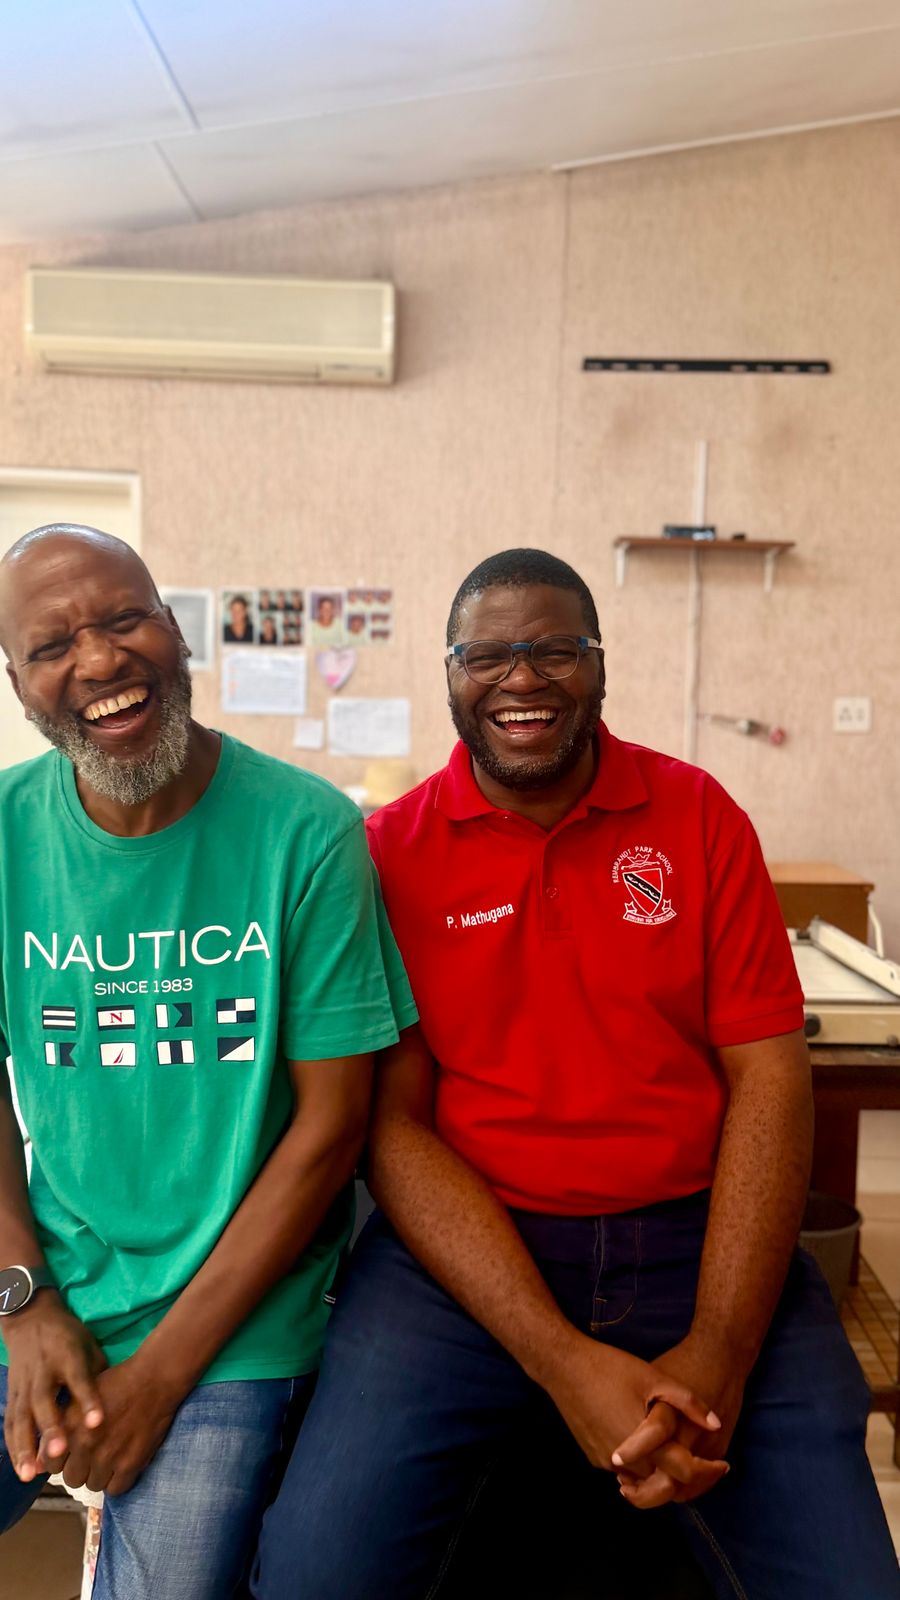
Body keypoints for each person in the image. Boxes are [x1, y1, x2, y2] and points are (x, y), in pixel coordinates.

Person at [253, 548, 900, 1600]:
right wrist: (560, 1359)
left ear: (601, 666)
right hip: (465, 1263)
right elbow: (394, 1129)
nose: (523, 678)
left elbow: (771, 1084)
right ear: (450, 673)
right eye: (489, 655)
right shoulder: (388, 853)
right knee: (315, 1573)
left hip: (699, 1237)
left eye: (556, 650)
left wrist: (719, 1351)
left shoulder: (700, 818)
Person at [0, 525, 416, 1599]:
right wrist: (23, 1301)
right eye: (52, 645)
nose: (99, 660)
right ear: (17, 683)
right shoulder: (4, 833)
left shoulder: (308, 832)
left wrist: (161, 1377)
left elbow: (331, 1130)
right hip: (43, 1282)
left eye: (124, 619)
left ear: (175, 632)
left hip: (235, 1326)